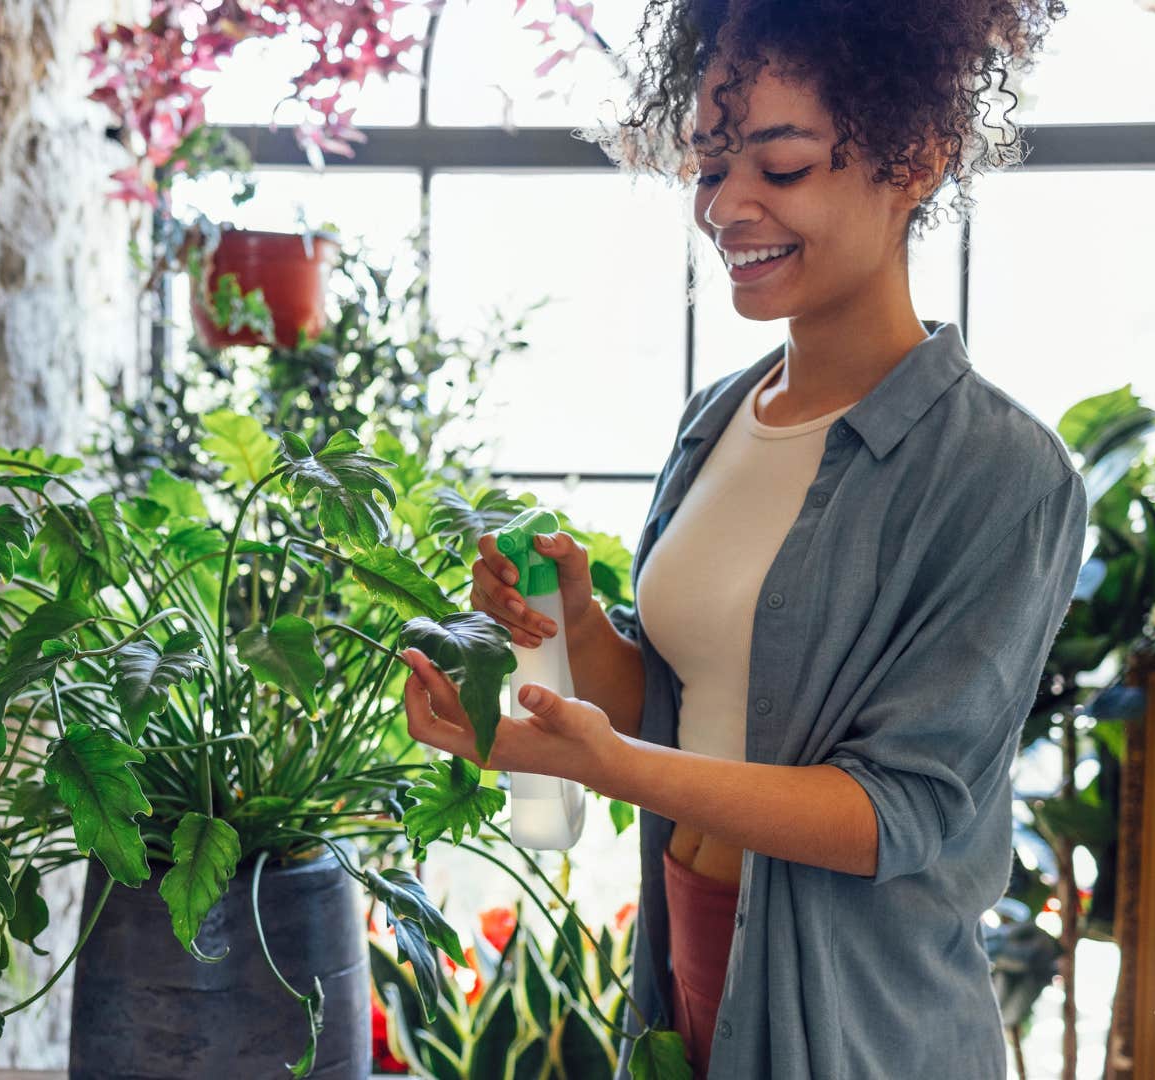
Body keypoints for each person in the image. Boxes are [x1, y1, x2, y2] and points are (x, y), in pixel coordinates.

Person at [398, 0, 1087, 1075]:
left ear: (918, 156)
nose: (728, 205)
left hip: (863, 1026)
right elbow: (687, 706)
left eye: (781, 164)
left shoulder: (1003, 473)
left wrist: (615, 767)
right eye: (712, 166)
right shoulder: (719, 416)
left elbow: (893, 814)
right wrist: (577, 628)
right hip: (691, 967)